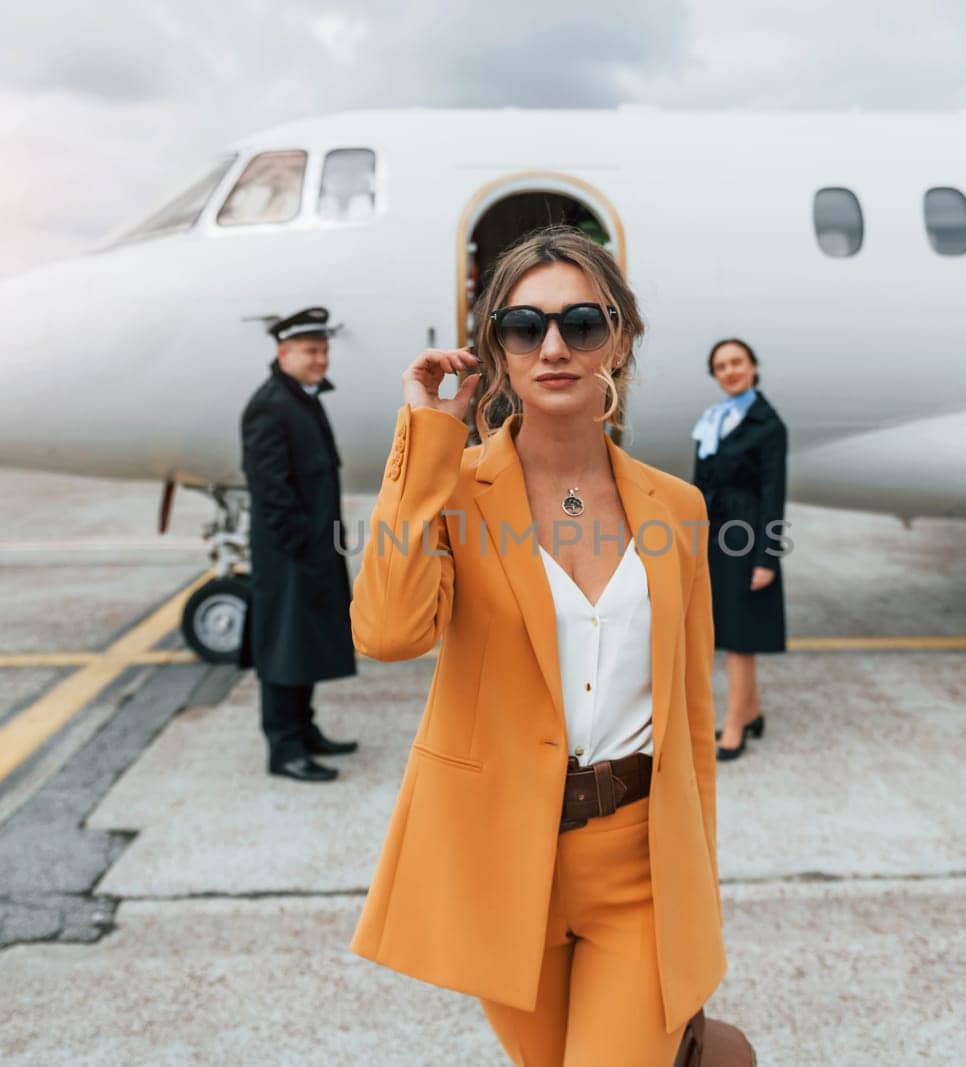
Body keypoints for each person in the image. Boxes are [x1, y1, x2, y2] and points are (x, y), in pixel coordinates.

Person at [349, 226, 725, 1064]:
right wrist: (423, 441)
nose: (554, 345)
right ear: (498, 351)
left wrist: (698, 895)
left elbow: (693, 720)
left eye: (582, 323)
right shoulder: (455, 492)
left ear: (619, 342)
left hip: (639, 868)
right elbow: (387, 630)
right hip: (499, 864)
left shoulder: (679, 509)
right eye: (525, 327)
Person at [239, 306, 359, 783]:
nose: (320, 360)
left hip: (311, 549)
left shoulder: (302, 398)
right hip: (290, 555)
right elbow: (269, 489)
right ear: (282, 353)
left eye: (324, 350)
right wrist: (301, 546)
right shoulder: (270, 404)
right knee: (284, 647)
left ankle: (304, 730)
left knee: (304, 644)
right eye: (311, 351)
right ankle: (284, 748)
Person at [691, 338, 788, 762]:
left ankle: (734, 724)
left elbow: (774, 493)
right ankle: (751, 711)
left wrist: (767, 556)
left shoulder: (768, 424)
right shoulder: (714, 419)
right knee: (727, 628)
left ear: (753, 366)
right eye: (721, 366)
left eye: (736, 362)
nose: (729, 370)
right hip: (716, 536)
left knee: (738, 636)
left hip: (747, 536)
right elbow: (700, 485)